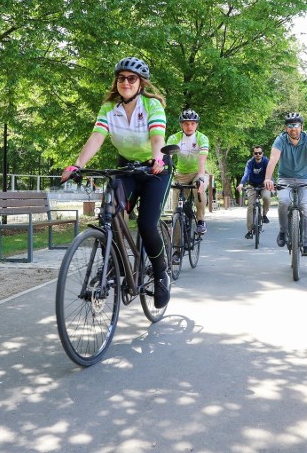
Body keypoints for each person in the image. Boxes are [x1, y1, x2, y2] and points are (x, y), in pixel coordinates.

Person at [61, 57, 172, 308]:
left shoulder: (152, 106)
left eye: (131, 78)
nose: (126, 82)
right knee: (109, 212)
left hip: (156, 169)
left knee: (146, 224)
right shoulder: (110, 107)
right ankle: (114, 262)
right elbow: (97, 137)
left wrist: (157, 158)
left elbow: (157, 136)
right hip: (128, 166)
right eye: (121, 78)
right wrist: (77, 164)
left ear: (140, 83)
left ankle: (160, 272)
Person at [264, 113, 307, 256]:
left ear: (301, 127)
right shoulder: (280, 140)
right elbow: (273, 160)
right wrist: (268, 179)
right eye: (290, 126)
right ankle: (283, 231)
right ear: (286, 128)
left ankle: (306, 244)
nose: (293, 129)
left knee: (305, 208)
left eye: (296, 125)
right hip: (285, 179)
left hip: (304, 179)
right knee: (284, 201)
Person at [166, 109, 210, 234]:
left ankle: (201, 221)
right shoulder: (175, 138)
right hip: (181, 174)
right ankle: (175, 250)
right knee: (176, 211)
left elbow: (202, 160)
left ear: (197, 124)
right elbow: (167, 157)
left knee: (199, 188)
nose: (189, 126)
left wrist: (201, 178)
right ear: (181, 125)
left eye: (192, 123)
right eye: (186, 123)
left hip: (198, 172)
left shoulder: (202, 138)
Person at [236, 145, 272, 239]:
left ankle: (264, 215)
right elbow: (246, 174)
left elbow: (270, 173)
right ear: (253, 154)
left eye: (260, 153)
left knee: (267, 198)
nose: (258, 155)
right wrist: (241, 184)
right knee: (250, 206)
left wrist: (272, 183)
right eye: (256, 153)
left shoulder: (266, 161)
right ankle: (250, 231)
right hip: (252, 186)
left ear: (262, 154)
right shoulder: (250, 162)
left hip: (264, 185)